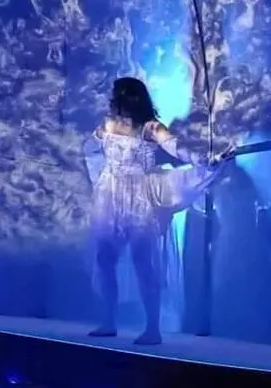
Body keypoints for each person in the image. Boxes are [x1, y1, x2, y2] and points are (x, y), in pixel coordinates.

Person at [83, 77, 231, 345]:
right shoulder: (108, 124)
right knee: (105, 260)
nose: (114, 100)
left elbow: (176, 147)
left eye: (118, 95)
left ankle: (153, 327)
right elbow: (91, 148)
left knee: (143, 262)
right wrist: (99, 178)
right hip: (110, 197)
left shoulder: (150, 127)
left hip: (139, 197)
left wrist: (202, 158)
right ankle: (108, 321)